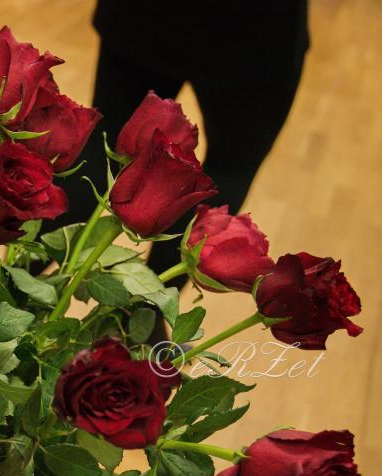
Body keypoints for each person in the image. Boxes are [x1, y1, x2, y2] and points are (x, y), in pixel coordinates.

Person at [59, 0, 309, 298]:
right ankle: (143, 315)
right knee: (226, 172)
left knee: (104, 152)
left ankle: (15, 287)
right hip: (255, 34)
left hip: (145, 18)